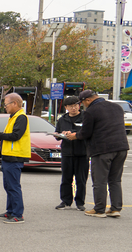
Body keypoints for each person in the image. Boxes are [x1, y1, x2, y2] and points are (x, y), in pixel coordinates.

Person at [63, 89, 128, 217]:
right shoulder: (117, 107)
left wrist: (75, 135)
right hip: (121, 147)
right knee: (115, 180)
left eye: (82, 103)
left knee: (100, 180)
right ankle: (115, 209)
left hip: (102, 149)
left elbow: (86, 132)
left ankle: (99, 209)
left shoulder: (91, 111)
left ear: (88, 100)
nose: (82, 105)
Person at [0, 92, 30, 224]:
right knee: (8, 185)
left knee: (13, 186)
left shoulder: (21, 117)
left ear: (15, 103)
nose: (5, 107)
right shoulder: (13, 117)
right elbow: (8, 135)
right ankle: (10, 211)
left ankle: (18, 214)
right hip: (8, 155)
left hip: (15, 156)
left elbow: (15, 136)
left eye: (6, 104)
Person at [54, 96, 88, 211]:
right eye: (71, 106)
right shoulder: (62, 119)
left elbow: (87, 133)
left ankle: (80, 202)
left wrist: (73, 133)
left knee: (81, 179)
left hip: (82, 152)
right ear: (66, 107)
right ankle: (65, 201)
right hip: (67, 152)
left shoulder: (85, 117)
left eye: (76, 105)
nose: (74, 108)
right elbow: (57, 134)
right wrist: (58, 134)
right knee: (66, 179)